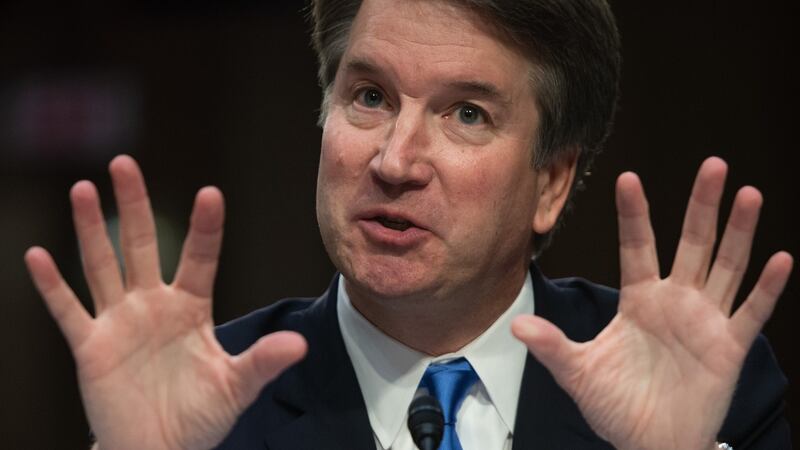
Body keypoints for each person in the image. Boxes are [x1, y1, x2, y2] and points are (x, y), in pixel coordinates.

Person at [24, 0, 792, 449]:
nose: (395, 159)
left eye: (466, 113)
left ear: (552, 183)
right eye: (369, 97)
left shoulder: (710, 393)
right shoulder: (206, 407)